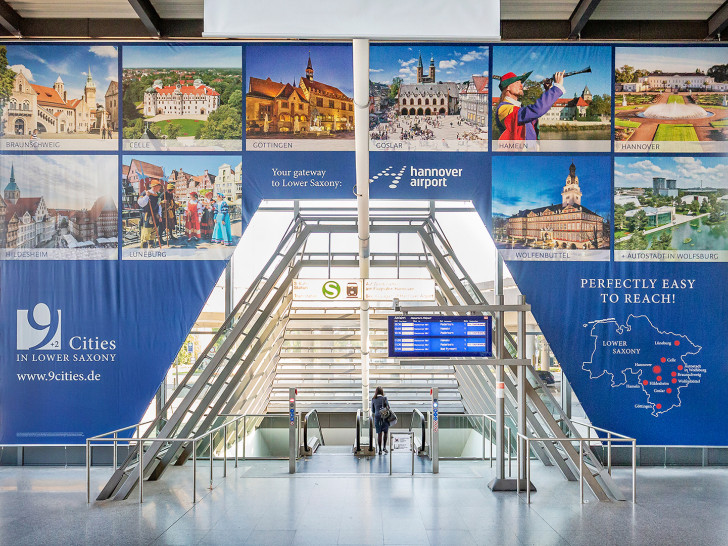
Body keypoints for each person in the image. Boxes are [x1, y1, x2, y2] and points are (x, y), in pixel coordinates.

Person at [495, 70, 565, 141]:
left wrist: (548, 91)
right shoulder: (503, 109)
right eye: (517, 83)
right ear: (508, 88)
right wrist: (557, 88)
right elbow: (536, 110)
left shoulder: (518, 108)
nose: (521, 85)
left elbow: (533, 116)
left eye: (521, 83)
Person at [137, 181, 162, 248]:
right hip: (148, 216)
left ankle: (150, 246)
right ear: (154, 186)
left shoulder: (157, 195)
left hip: (155, 215)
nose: (160, 188)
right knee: (146, 233)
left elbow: (159, 206)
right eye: (159, 187)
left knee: (153, 232)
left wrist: (160, 215)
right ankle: (143, 249)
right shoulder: (145, 192)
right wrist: (147, 196)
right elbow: (140, 203)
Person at [371, 386, 390, 455]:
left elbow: (372, 410)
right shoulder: (384, 398)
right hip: (384, 417)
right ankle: (384, 447)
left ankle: (379, 450)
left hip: (377, 417)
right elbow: (388, 407)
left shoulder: (373, 399)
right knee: (385, 433)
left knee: (379, 434)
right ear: (382, 391)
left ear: (376, 392)